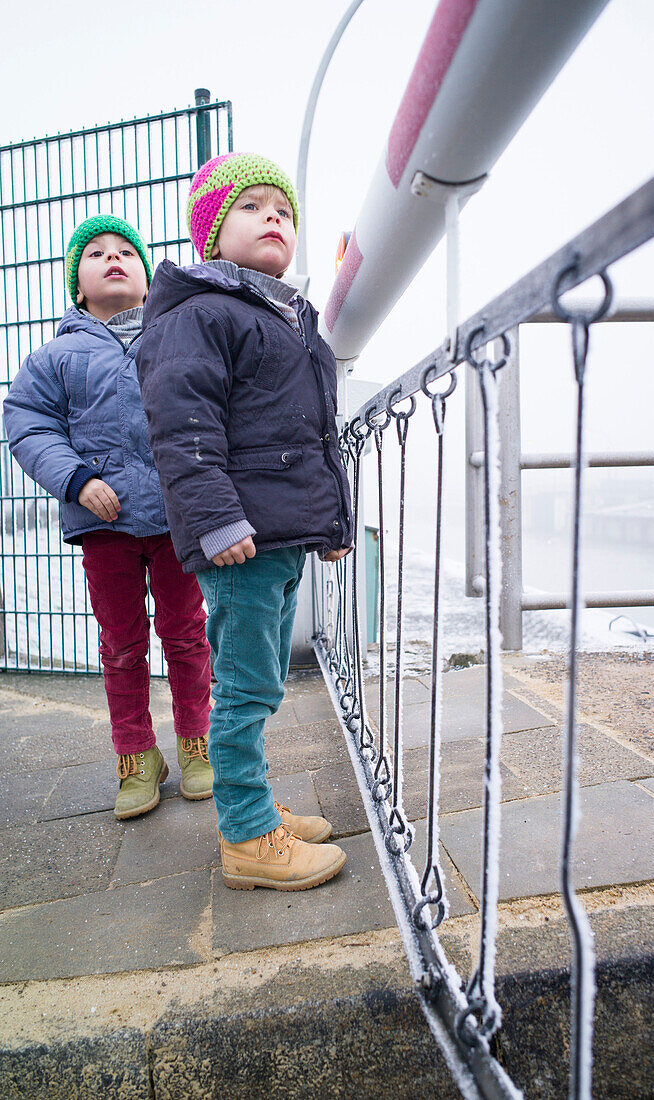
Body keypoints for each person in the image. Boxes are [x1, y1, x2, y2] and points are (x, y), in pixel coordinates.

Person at [136, 153, 353, 891]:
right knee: (247, 688)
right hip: (241, 540)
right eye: (252, 206)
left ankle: (253, 806)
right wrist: (217, 521)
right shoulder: (202, 313)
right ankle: (248, 839)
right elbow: (183, 427)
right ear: (210, 233)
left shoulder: (286, 318)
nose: (273, 218)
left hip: (279, 532)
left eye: (283, 210)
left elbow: (318, 431)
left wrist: (333, 523)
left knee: (257, 683)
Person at [3, 214, 213, 820]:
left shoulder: (176, 337)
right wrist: (77, 479)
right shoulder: (55, 355)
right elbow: (28, 423)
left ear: (147, 279)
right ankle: (136, 756)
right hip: (105, 529)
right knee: (121, 644)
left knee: (186, 634)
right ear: (78, 285)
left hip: (177, 523)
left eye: (127, 251)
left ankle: (197, 744)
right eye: (95, 254)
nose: (113, 258)